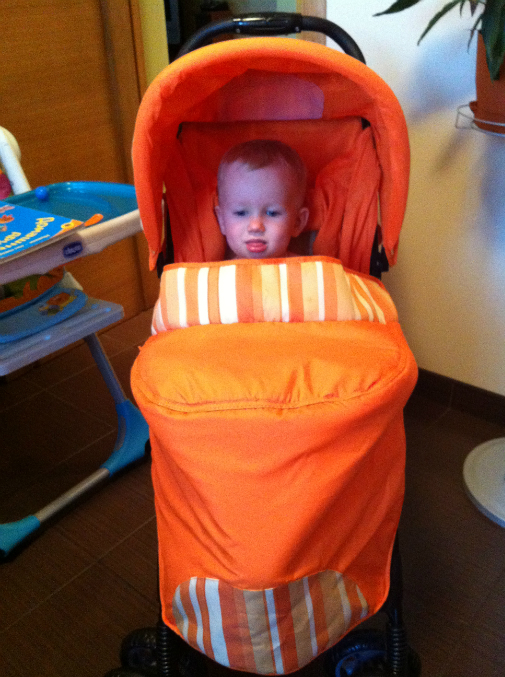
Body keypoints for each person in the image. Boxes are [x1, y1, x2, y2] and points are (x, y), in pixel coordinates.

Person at [214, 139, 309, 260]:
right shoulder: (216, 272)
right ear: (222, 220)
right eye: (241, 213)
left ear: (297, 222)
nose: (255, 226)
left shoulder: (311, 269)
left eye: (271, 213)